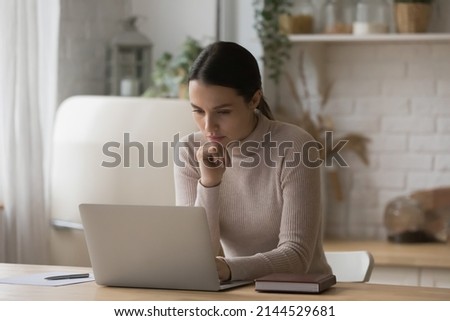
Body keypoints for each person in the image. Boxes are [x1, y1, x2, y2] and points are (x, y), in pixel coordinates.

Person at [174, 41, 331, 282]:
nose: (208, 126)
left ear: (254, 99)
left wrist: (230, 269)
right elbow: (194, 255)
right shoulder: (189, 150)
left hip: (302, 294)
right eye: (198, 110)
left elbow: (297, 257)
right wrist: (210, 183)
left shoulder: (296, 147)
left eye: (223, 111)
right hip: (237, 292)